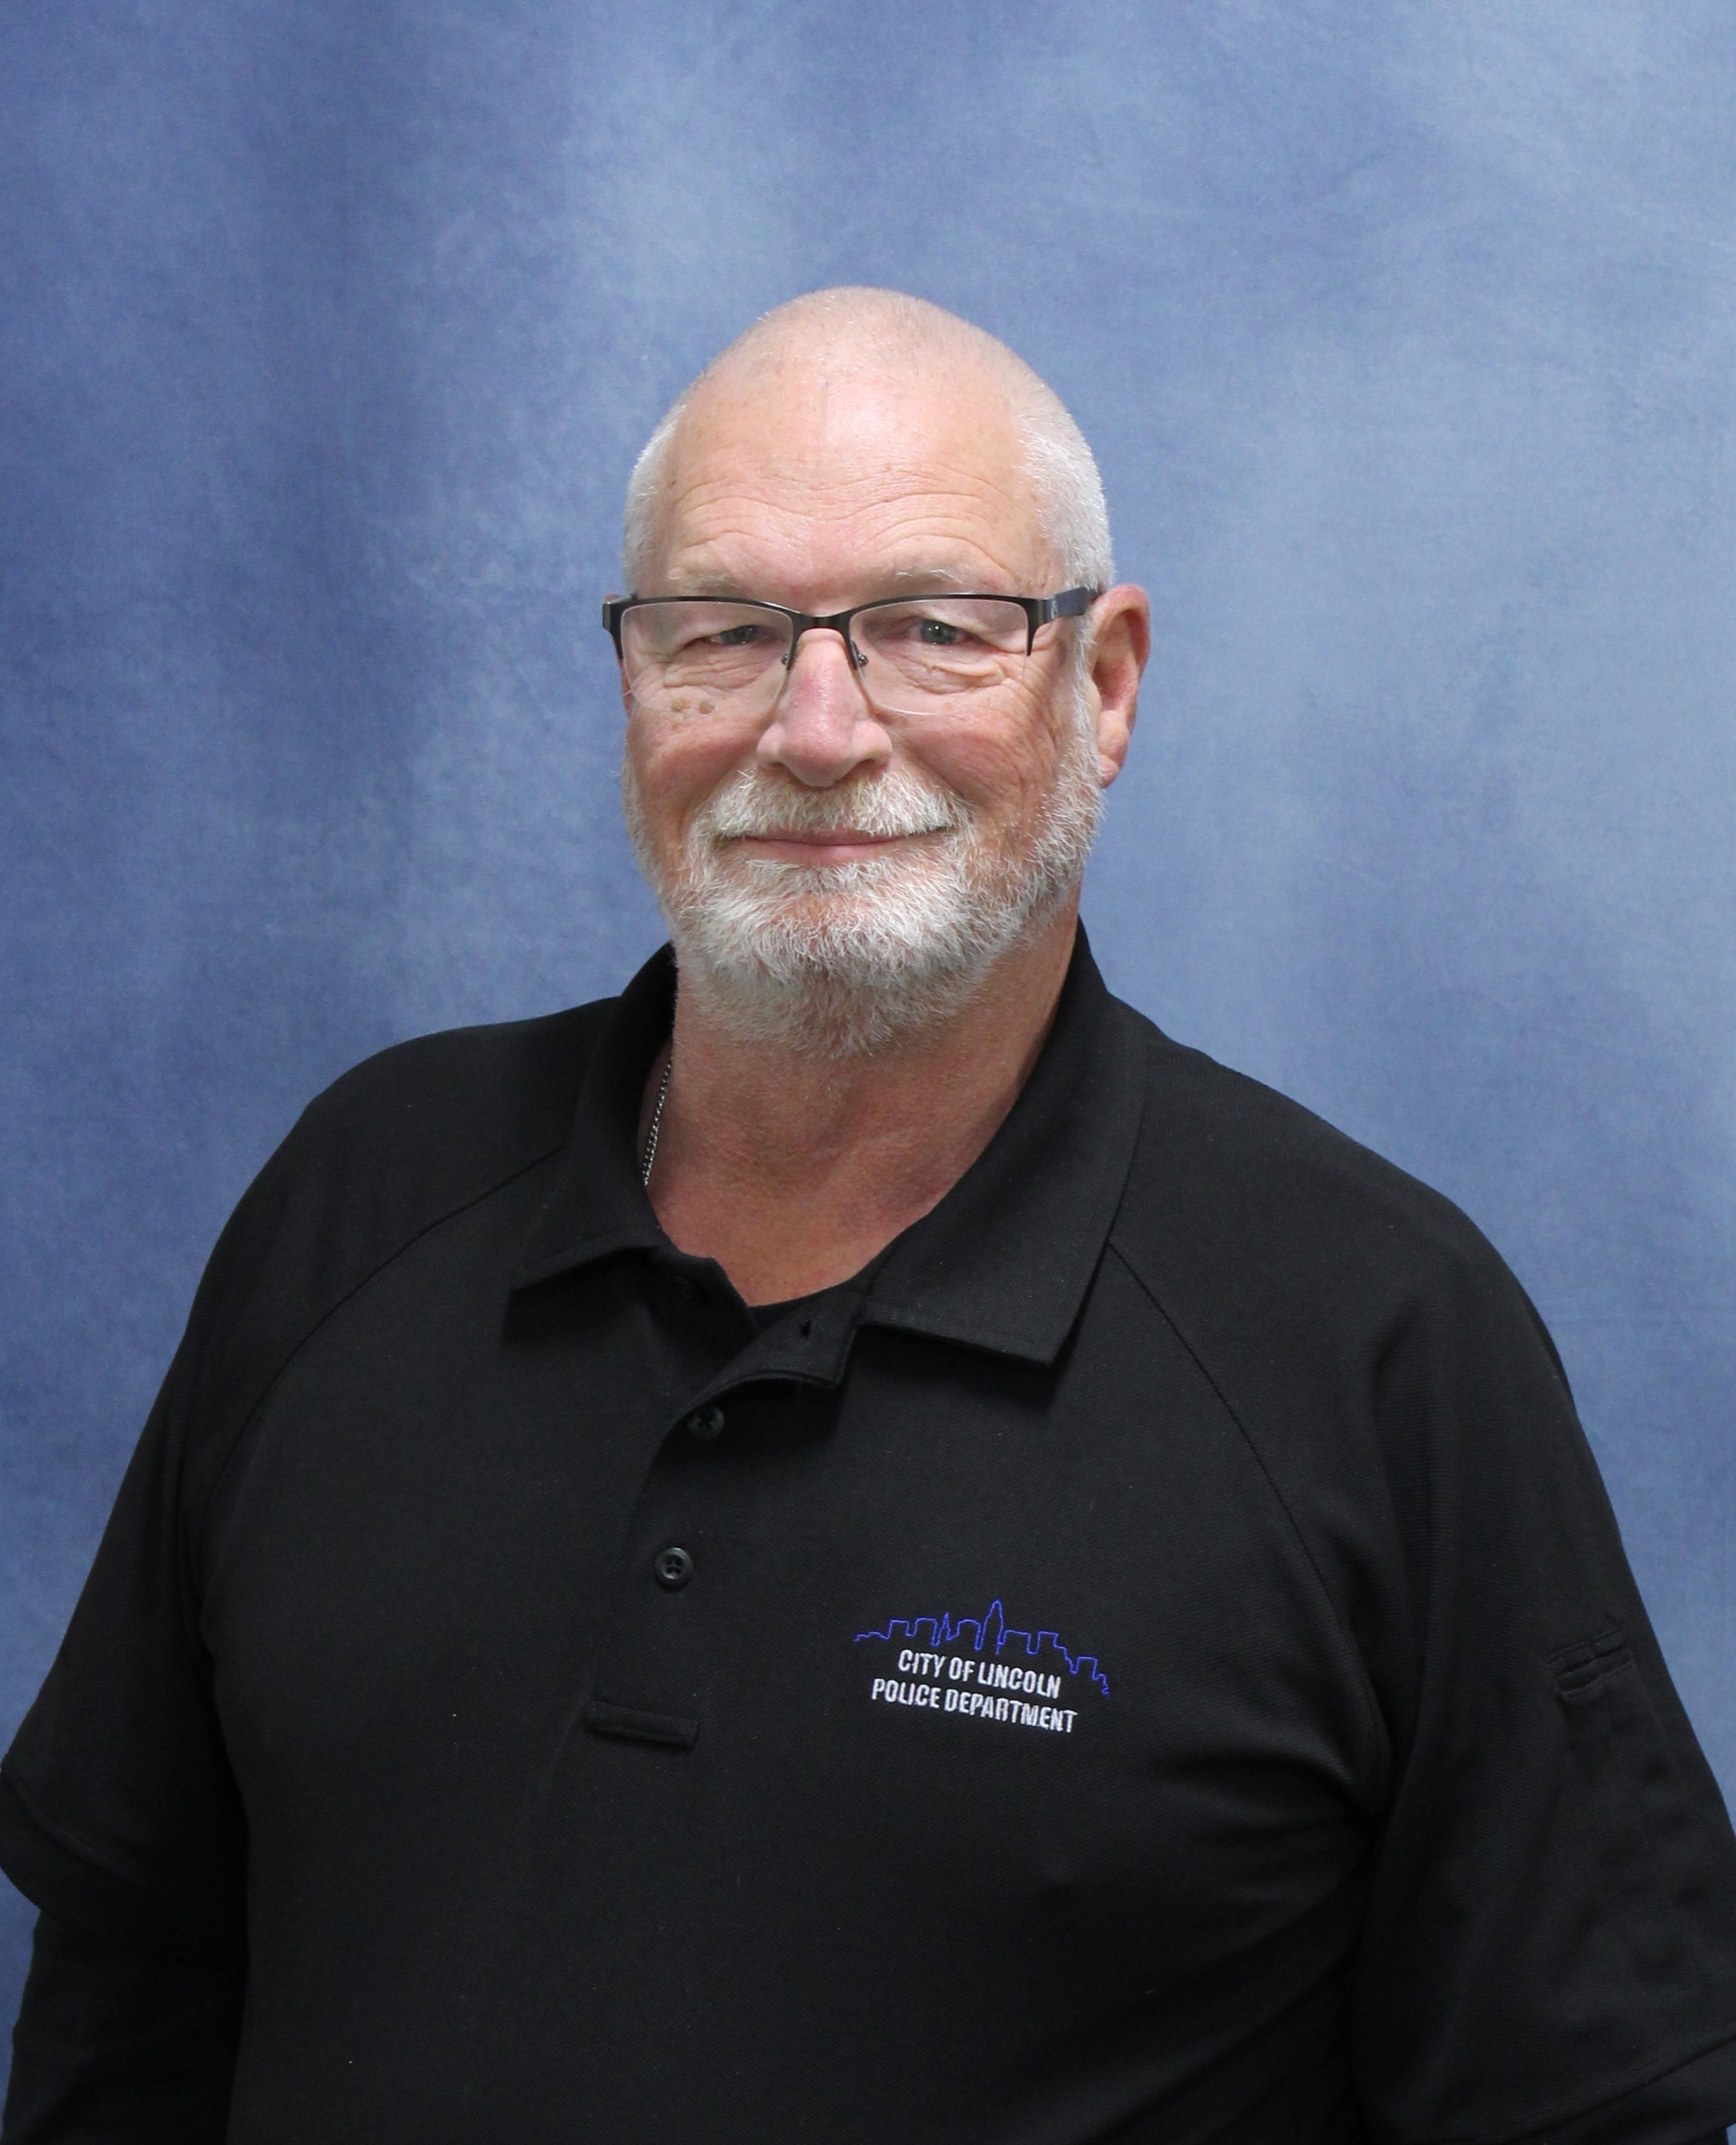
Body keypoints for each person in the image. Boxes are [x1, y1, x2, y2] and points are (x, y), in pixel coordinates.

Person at [3, 287, 1734, 2145]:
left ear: (1106, 683)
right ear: (633, 676)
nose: (816, 730)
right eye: (725, 631)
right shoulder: (363, 1200)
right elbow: (129, 2008)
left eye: (933, 628)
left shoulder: (1378, 1341)